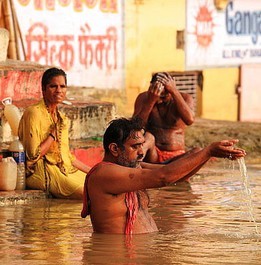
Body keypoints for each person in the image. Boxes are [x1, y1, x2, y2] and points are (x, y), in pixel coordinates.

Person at [81, 116, 246, 234]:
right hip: (118, 257)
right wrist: (207, 150)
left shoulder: (133, 167)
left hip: (142, 252)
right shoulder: (104, 173)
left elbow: (177, 177)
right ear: (115, 149)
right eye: (134, 146)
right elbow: (163, 177)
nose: (141, 153)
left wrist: (208, 155)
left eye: (142, 146)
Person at [18, 67, 90, 199]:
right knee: (88, 196)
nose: (58, 90)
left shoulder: (61, 117)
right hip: (41, 171)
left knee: (99, 186)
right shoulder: (33, 113)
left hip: (64, 169)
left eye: (62, 86)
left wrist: (93, 172)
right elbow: (33, 156)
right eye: (53, 86)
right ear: (44, 90)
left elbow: (67, 157)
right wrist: (52, 135)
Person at [133, 72, 197, 163]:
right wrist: (151, 100)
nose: (159, 101)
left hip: (176, 156)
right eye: (157, 96)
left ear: (171, 91)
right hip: (153, 154)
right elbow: (136, 125)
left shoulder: (185, 98)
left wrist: (174, 92)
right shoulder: (144, 98)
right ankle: (136, 163)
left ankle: (164, 169)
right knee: (148, 137)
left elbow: (190, 120)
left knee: (197, 151)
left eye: (163, 97)